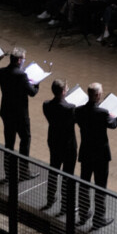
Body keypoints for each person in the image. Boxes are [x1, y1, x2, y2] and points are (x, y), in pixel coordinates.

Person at [74, 81, 117, 228]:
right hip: (101, 155)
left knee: (84, 185)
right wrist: (116, 115)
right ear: (99, 95)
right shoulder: (103, 113)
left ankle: (83, 213)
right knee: (100, 187)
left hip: (86, 152)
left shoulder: (79, 111)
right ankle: (99, 218)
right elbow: (113, 125)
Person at [0, 47, 38, 184]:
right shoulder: (21, 75)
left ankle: (8, 174)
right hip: (20, 114)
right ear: (19, 60)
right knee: (25, 140)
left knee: (9, 143)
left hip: (6, 111)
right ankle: (24, 171)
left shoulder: (1, 72)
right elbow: (32, 93)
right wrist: (36, 83)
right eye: (23, 59)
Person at [40, 79, 77, 212]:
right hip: (68, 145)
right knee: (68, 175)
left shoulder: (46, 105)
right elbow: (75, 119)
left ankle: (50, 198)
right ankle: (65, 205)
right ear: (63, 92)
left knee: (53, 170)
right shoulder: (70, 108)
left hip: (54, 141)